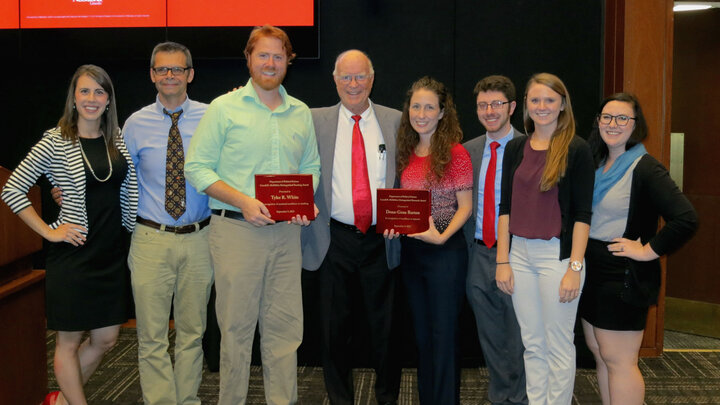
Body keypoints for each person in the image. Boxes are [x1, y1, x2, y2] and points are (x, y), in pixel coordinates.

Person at [185, 25, 320, 405]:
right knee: (236, 332)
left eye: (279, 55)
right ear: (249, 58)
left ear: (288, 62)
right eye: (263, 54)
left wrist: (304, 200)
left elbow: (310, 166)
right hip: (236, 233)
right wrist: (243, 200)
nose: (271, 62)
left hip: (286, 236)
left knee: (285, 331)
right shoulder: (223, 108)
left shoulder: (301, 113)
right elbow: (197, 168)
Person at [1, 65, 138, 405]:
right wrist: (48, 232)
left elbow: (124, 188)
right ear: (74, 98)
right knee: (68, 341)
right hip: (74, 255)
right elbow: (13, 188)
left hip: (110, 252)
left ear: (109, 100)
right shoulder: (55, 139)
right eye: (85, 91)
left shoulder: (115, 136)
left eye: (99, 92)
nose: (92, 99)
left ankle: (60, 401)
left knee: (107, 338)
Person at [578, 93, 697, 405]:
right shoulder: (598, 163)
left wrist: (647, 250)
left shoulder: (645, 168)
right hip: (593, 271)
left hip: (623, 276)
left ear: (635, 125)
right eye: (607, 117)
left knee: (620, 362)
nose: (613, 124)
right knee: (602, 356)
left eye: (622, 119)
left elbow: (685, 218)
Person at [301, 49, 401, 405]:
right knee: (332, 331)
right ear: (334, 80)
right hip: (333, 238)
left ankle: (387, 398)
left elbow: (412, 176)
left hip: (382, 240)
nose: (353, 84)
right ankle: (340, 399)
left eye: (360, 77)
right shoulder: (312, 119)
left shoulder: (397, 121)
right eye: (346, 77)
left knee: (386, 330)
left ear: (372, 79)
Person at [122, 42, 214, 405]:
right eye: (162, 69)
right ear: (152, 75)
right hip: (150, 239)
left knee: (194, 332)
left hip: (199, 238)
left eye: (177, 69)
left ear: (190, 74)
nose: (170, 76)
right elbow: (115, 176)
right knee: (152, 335)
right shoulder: (134, 123)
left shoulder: (212, 117)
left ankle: (187, 400)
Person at [495, 72, 594, 405]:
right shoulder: (515, 148)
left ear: (562, 104)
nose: (542, 106)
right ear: (525, 105)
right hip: (519, 256)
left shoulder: (577, 149)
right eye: (535, 100)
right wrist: (503, 260)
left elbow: (582, 214)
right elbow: (504, 208)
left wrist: (575, 267)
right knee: (533, 343)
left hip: (559, 258)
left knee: (558, 344)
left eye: (549, 100)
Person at [388, 76, 472, 404]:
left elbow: (465, 207)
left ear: (442, 113)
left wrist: (442, 236)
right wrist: (395, 225)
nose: (421, 113)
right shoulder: (406, 151)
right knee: (422, 337)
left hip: (445, 252)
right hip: (412, 254)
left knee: (444, 336)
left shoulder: (455, 152)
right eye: (416, 106)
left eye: (429, 107)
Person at [462, 75, 527, 405]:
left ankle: (520, 399)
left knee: (518, 338)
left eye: (497, 104)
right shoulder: (468, 150)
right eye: (483, 105)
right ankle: (501, 397)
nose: (489, 111)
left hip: (518, 255)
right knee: (489, 336)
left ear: (512, 107)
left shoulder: (530, 148)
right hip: (478, 254)